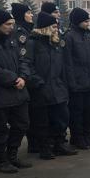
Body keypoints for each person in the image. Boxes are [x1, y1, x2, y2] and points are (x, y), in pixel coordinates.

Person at [25, 11, 77, 159]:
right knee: (42, 121)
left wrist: (64, 84)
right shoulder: (32, 43)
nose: (56, 29)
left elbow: (62, 66)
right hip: (41, 89)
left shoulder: (55, 43)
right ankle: (45, 148)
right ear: (45, 28)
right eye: (53, 27)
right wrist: (38, 83)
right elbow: (28, 65)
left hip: (57, 87)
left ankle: (59, 144)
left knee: (61, 118)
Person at [0, 8, 31, 173]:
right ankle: (1, 159)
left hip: (18, 91)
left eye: (12, 24)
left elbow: (23, 59)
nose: (12, 27)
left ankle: (12, 155)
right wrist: (13, 79)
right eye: (8, 24)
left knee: (22, 124)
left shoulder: (11, 38)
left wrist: (23, 77)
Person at [64, 7, 90, 150]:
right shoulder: (69, 37)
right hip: (78, 83)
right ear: (78, 21)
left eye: (88, 21)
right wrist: (72, 83)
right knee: (77, 112)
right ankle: (77, 137)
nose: (88, 23)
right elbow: (68, 63)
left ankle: (87, 134)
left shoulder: (89, 36)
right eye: (85, 21)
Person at [11, 2, 37, 152]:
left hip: (28, 76)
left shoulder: (27, 30)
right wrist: (26, 77)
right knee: (23, 118)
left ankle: (33, 143)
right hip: (23, 79)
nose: (31, 15)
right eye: (28, 13)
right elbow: (23, 58)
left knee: (29, 116)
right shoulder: (19, 32)